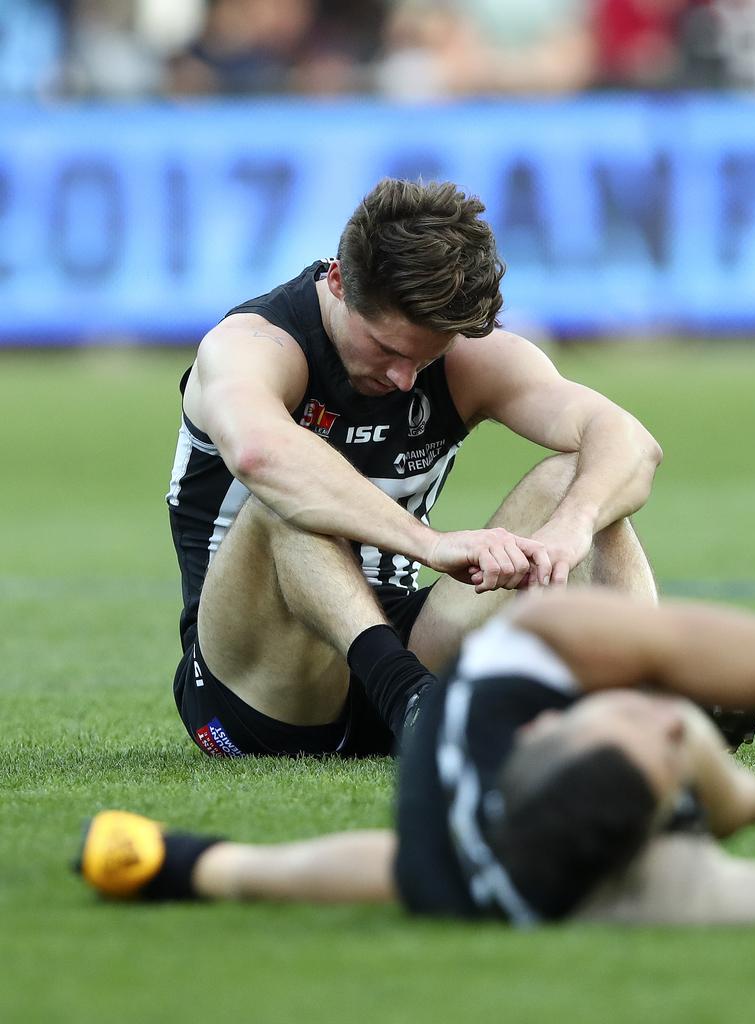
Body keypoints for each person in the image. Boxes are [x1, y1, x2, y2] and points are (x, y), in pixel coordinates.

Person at [167, 177, 662, 759]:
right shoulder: (254, 344)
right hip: (260, 681)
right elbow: (260, 454)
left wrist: (571, 528)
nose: (406, 378)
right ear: (338, 282)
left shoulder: (464, 353)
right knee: (284, 491)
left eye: (426, 357)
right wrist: (427, 544)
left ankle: (654, 701)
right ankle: (410, 697)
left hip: (414, 649)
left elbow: (629, 441)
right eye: (388, 350)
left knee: (574, 480)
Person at [79, 588, 755, 925]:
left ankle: (210, 865)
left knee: (419, 873)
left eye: (625, 712)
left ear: (540, 728)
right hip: (579, 848)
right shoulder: (523, 892)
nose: (659, 720)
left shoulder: (547, 638)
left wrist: (208, 868)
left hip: (523, 777)